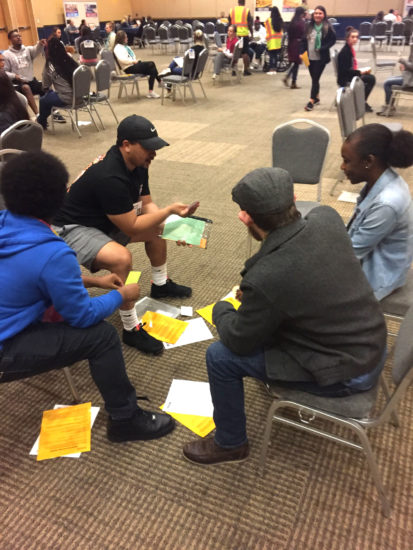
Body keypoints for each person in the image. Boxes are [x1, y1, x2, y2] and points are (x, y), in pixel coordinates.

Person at [182, 167, 386, 465]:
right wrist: (263, 297)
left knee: (220, 356)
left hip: (348, 373)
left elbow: (239, 340)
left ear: (245, 217)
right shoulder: (326, 218)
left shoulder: (267, 275)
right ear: (294, 198)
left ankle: (230, 444)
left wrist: (221, 309)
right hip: (372, 344)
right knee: (267, 327)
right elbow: (303, 272)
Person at [0, 151, 175, 443]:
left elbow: (36, 275)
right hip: (6, 347)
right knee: (102, 336)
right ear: (60, 199)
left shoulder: (6, 223)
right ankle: (125, 419)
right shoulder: (54, 252)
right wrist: (121, 295)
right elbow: (81, 316)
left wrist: (96, 281)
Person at [52, 115, 196, 355]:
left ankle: (160, 284)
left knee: (159, 228)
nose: (154, 153)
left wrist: (171, 225)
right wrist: (169, 210)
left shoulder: (138, 164)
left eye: (155, 147)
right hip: (70, 228)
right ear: (126, 145)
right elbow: (131, 227)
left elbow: (147, 204)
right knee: (122, 258)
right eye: (148, 147)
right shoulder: (110, 175)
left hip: (104, 219)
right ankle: (131, 328)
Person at [343, 124, 413, 300]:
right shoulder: (380, 179)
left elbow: (350, 254)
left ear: (368, 161)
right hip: (366, 258)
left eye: (347, 160)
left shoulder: (387, 203)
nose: (342, 167)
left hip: (377, 277)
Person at [3, 29, 46, 116]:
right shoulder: (6, 54)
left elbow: (36, 50)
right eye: (15, 36)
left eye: (19, 36)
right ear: (10, 39)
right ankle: (38, 115)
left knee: (45, 87)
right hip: (17, 84)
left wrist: (40, 44)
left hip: (30, 80)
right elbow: (3, 72)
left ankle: (54, 112)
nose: (18, 37)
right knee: (26, 88)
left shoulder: (28, 49)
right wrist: (14, 76)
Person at [301, 5, 336, 111]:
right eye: (316, 13)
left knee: (315, 79)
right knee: (314, 78)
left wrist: (323, 48)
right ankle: (317, 97)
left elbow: (333, 40)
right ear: (313, 15)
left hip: (321, 58)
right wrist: (302, 52)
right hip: (309, 57)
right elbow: (303, 40)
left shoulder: (327, 27)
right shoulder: (308, 26)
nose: (317, 15)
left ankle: (311, 101)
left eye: (320, 13)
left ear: (324, 15)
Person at [37, 38, 76, 129]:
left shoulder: (50, 64)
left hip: (67, 98)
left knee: (43, 100)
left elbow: (45, 86)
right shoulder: (70, 59)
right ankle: (41, 119)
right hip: (81, 96)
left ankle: (41, 122)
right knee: (50, 98)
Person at [337, 27, 376, 112]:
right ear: (347, 38)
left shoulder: (349, 49)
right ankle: (361, 103)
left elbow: (349, 68)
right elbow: (345, 71)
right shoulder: (345, 52)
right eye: (353, 37)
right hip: (345, 79)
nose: (355, 39)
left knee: (370, 77)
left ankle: (361, 101)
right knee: (371, 79)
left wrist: (360, 71)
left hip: (349, 75)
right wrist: (360, 72)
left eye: (356, 37)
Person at [113, 30, 160, 98]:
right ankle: (159, 82)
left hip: (133, 65)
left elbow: (132, 56)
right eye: (126, 37)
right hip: (128, 68)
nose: (127, 38)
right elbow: (122, 60)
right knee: (151, 64)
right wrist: (133, 62)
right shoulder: (117, 48)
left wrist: (135, 61)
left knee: (152, 69)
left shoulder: (125, 46)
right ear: (121, 39)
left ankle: (151, 91)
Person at [159, 30, 205, 95]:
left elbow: (188, 62)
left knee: (171, 69)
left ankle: (168, 87)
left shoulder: (192, 49)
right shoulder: (203, 49)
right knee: (177, 58)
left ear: (194, 38)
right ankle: (167, 73)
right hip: (196, 72)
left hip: (189, 72)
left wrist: (182, 60)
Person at [377, 45, 413, 116]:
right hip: (409, 77)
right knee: (388, 80)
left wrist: (403, 61)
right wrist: (405, 66)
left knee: (387, 83)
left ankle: (389, 106)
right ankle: (390, 105)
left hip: (410, 81)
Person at [283, 6, 306, 88]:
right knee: (296, 63)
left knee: (295, 63)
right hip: (298, 44)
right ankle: (292, 81)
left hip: (291, 43)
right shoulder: (301, 23)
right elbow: (304, 34)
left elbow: (289, 34)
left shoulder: (292, 22)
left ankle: (290, 79)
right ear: (302, 13)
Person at [229, 0, 253, 76]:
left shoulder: (232, 10)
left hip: (234, 35)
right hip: (244, 35)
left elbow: (229, 23)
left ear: (238, 2)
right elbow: (249, 24)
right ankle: (246, 71)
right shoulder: (246, 11)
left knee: (234, 53)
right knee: (245, 53)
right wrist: (251, 33)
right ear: (244, 2)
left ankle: (233, 70)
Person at [265, 7, 283, 75]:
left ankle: (271, 69)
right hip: (278, 41)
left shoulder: (268, 20)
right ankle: (275, 69)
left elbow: (267, 30)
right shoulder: (280, 20)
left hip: (271, 40)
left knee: (271, 55)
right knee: (275, 55)